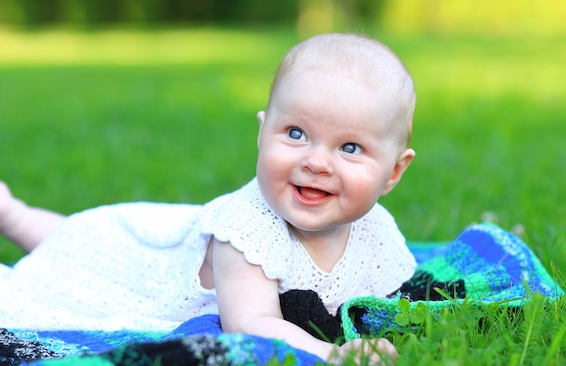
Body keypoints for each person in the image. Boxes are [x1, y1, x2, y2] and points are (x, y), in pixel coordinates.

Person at [0, 33, 417, 362]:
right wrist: (331, 355)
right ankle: (12, 213)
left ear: (394, 172)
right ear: (261, 131)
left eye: (349, 148)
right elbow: (251, 322)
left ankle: (12, 213)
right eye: (295, 133)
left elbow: (396, 299)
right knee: (78, 250)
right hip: (143, 270)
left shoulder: (377, 231)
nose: (316, 162)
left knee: (70, 238)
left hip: (165, 234)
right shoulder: (247, 231)